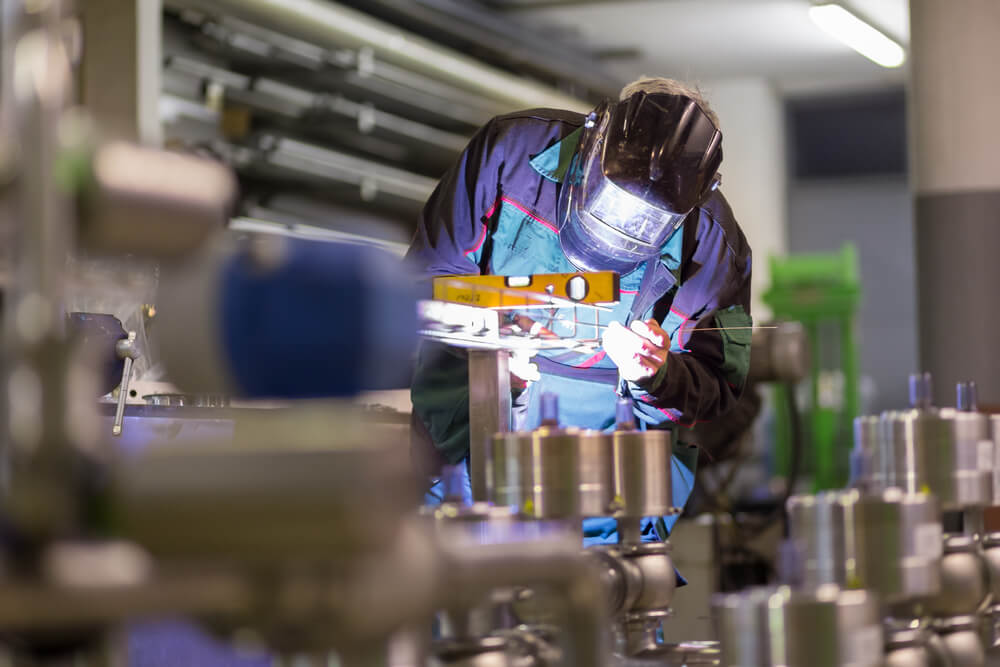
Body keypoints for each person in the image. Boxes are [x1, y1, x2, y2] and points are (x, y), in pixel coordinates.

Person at [407, 77, 752, 544]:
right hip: (464, 453)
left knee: (608, 604)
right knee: (459, 596)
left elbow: (719, 385)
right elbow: (423, 289)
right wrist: (489, 345)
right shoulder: (511, 154)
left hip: (609, 497)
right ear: (597, 139)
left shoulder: (714, 245)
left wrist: (657, 374)